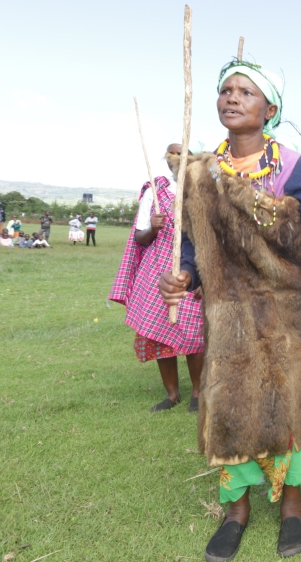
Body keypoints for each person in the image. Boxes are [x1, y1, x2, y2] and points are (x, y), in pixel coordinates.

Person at [158, 58, 301, 562]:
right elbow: (195, 245)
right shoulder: (201, 172)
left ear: (270, 109)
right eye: (226, 91)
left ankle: (292, 505)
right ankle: (235, 508)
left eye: (246, 92)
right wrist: (185, 276)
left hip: (290, 314)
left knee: (289, 406)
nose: (232, 98)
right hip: (229, 316)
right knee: (229, 406)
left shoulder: (292, 168)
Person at [109, 144, 205, 414]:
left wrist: (205, 278)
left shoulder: (205, 191)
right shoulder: (154, 191)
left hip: (191, 270)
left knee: (193, 330)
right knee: (158, 334)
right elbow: (140, 237)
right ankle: (172, 394)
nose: (177, 159)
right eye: (172, 154)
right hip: (155, 272)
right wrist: (153, 226)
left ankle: (198, 393)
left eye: (183, 154)